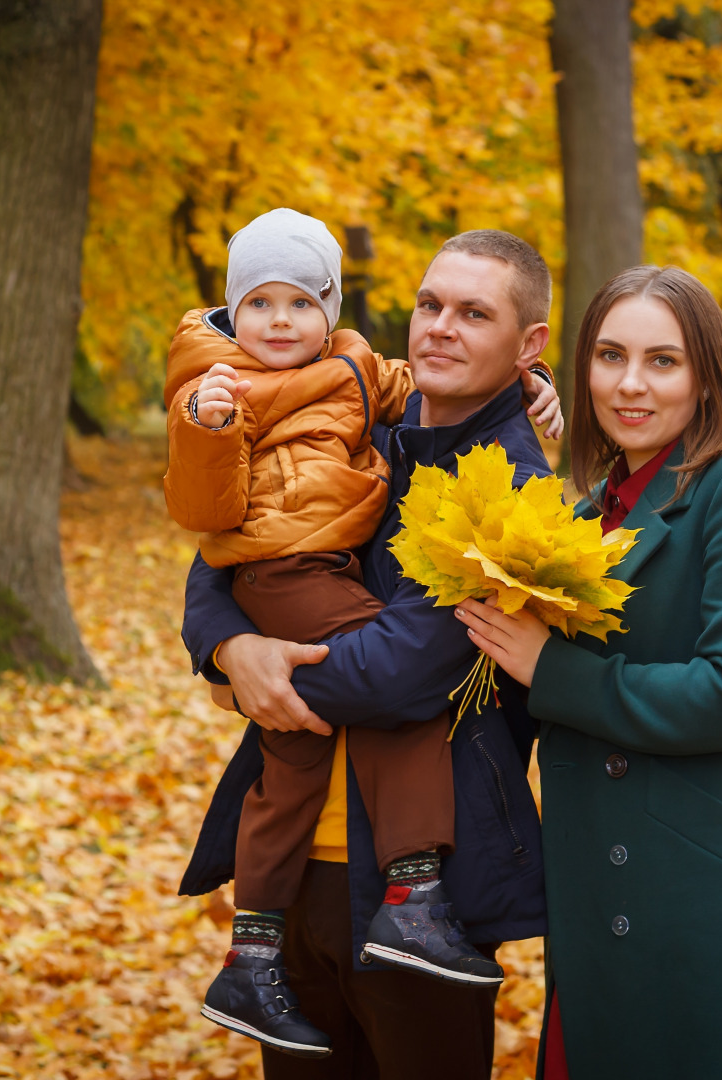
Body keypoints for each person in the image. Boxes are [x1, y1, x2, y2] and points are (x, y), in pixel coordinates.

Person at [163, 211, 560, 1057]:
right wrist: (233, 649)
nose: (440, 328)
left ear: (530, 346)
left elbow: (400, 677)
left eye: (474, 314)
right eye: (429, 305)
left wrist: (265, 679)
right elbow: (223, 558)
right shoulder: (360, 425)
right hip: (296, 864)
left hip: (418, 889)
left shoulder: (514, 487)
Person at [458, 265, 722, 1078]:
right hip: (592, 889)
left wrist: (552, 671)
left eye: (663, 361)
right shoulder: (582, 515)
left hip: (694, 889)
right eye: (610, 356)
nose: (630, 384)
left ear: (706, 375)